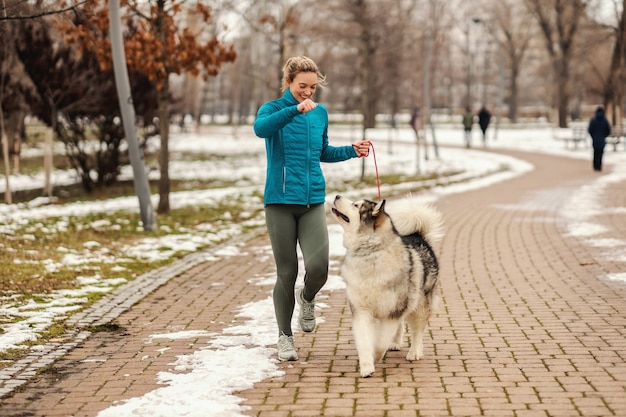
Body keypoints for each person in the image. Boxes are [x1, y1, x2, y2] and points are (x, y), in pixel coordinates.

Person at [253, 56, 371, 362]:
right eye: (301, 86)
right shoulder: (273, 109)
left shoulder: (320, 114)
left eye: (312, 87)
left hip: (312, 201)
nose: (307, 92)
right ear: (289, 82)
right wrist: (293, 110)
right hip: (279, 202)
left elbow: (323, 151)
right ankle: (284, 338)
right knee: (287, 271)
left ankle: (307, 299)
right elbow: (261, 129)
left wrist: (351, 151)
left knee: (318, 268)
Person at [587, 106, 611, 172]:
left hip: (595, 139)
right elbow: (608, 130)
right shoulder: (605, 121)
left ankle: (595, 166)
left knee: (595, 153)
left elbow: (590, 130)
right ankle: (599, 166)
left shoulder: (593, 120)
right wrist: (604, 136)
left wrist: (593, 136)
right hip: (602, 139)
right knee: (600, 153)